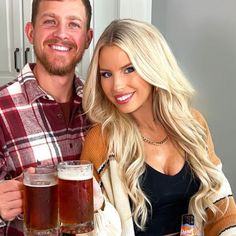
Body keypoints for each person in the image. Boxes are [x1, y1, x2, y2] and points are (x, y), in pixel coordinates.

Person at [80, 18, 236, 235]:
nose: (116, 85)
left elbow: (222, 206)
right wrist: (95, 207)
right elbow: (89, 229)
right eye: (106, 74)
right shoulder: (102, 140)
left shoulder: (193, 125)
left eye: (129, 69)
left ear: (152, 66)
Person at [0, 0, 96, 235]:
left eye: (73, 24)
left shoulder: (100, 107)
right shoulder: (1, 108)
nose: (61, 33)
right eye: (50, 21)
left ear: (87, 38)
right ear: (30, 32)